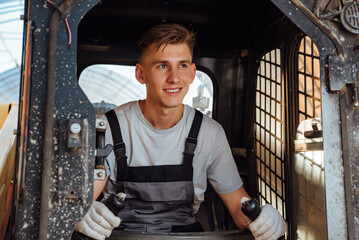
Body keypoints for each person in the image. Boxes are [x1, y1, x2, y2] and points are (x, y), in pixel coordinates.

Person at [74, 23, 286, 240]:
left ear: (193, 72)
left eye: (182, 65)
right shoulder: (108, 127)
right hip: (120, 235)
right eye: (162, 66)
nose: (174, 78)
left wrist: (262, 220)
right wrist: (83, 216)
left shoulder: (209, 133)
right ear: (140, 73)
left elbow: (237, 205)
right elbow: (85, 200)